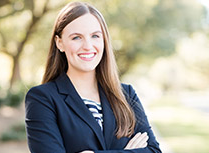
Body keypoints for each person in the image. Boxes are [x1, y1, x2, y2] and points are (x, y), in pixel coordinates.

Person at [25, 2, 161, 153]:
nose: (88, 46)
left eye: (95, 36)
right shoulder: (42, 99)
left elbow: (153, 150)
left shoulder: (126, 95)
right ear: (60, 43)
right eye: (76, 37)